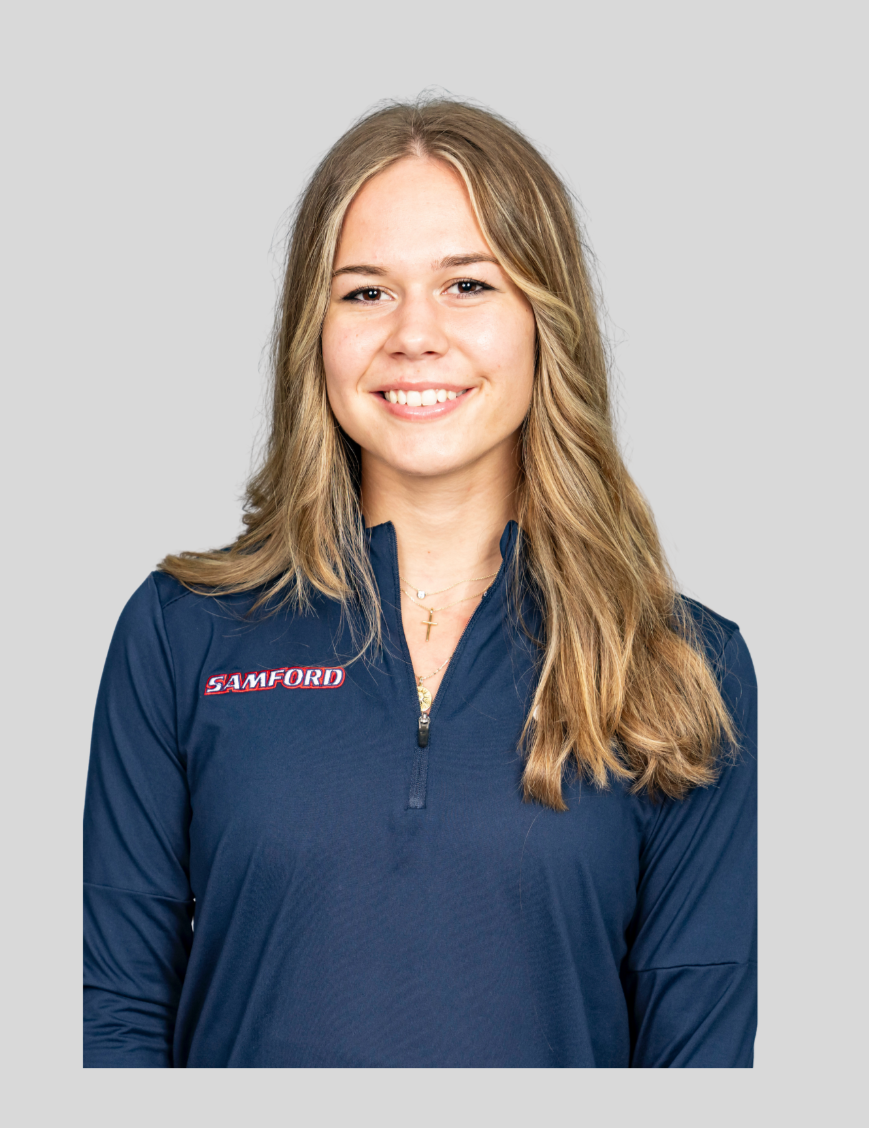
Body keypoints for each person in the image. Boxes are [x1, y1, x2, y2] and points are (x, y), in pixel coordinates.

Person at [83, 98, 757, 1068]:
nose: (413, 334)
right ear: (313, 335)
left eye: (467, 285)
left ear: (543, 321)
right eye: (364, 293)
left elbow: (700, 1076)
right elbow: (109, 1022)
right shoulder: (178, 637)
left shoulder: (683, 668)